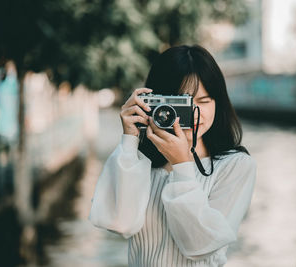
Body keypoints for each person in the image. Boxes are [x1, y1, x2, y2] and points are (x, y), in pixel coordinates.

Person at [88, 45, 257, 267]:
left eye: (204, 101)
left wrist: (182, 164)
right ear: (155, 101)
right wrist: (129, 141)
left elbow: (200, 246)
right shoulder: (138, 162)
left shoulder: (236, 166)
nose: (194, 112)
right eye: (182, 103)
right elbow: (119, 223)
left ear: (219, 103)